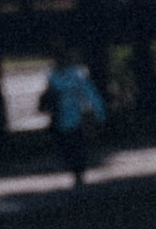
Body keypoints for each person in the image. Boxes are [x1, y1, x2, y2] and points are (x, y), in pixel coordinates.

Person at [40, 52, 106, 188]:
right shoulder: (53, 76)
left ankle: (78, 173)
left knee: (77, 145)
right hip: (60, 117)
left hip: (75, 116)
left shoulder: (75, 75)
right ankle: (74, 170)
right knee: (67, 146)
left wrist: (99, 112)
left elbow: (90, 93)